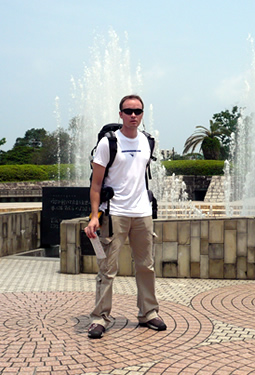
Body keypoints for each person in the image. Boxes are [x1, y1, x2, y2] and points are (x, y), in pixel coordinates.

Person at [84, 94, 166, 339]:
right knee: (108, 268)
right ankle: (100, 318)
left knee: (146, 266)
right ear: (120, 114)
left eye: (138, 111)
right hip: (115, 214)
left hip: (142, 213)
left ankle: (148, 313)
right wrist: (94, 216)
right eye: (128, 111)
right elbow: (96, 184)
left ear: (142, 114)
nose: (133, 115)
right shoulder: (109, 143)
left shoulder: (148, 141)